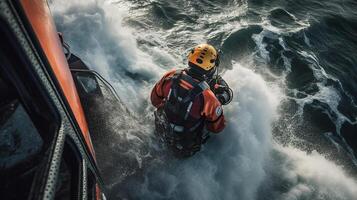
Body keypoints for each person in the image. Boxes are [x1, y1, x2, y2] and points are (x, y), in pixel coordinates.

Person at [151, 44, 232, 157]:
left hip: (160, 130)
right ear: (212, 67)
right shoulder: (208, 97)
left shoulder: (170, 76)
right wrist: (217, 102)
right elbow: (217, 128)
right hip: (184, 148)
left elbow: (154, 100)